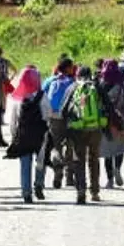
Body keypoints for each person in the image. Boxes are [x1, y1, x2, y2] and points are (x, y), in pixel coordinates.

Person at [62, 64, 109, 205]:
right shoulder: (97, 87)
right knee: (94, 159)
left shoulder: (73, 87)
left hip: (78, 129)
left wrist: (69, 126)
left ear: (77, 75)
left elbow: (64, 110)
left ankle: (80, 191)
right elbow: (108, 105)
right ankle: (94, 192)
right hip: (95, 128)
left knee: (79, 159)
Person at [5, 65, 49, 203]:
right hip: (40, 135)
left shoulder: (17, 99)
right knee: (40, 161)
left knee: (25, 164)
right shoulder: (42, 96)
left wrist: (14, 136)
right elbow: (48, 114)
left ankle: (26, 192)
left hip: (23, 136)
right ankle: (39, 185)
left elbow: (13, 121)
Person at [42, 56, 76, 189]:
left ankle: (58, 171)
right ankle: (69, 177)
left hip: (54, 117)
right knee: (70, 145)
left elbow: (42, 96)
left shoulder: (50, 81)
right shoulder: (73, 82)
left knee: (56, 147)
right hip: (69, 117)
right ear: (67, 68)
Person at [98, 59, 124, 188]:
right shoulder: (122, 87)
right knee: (119, 149)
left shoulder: (101, 86)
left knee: (107, 152)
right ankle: (118, 168)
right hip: (119, 120)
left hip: (105, 121)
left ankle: (110, 179)